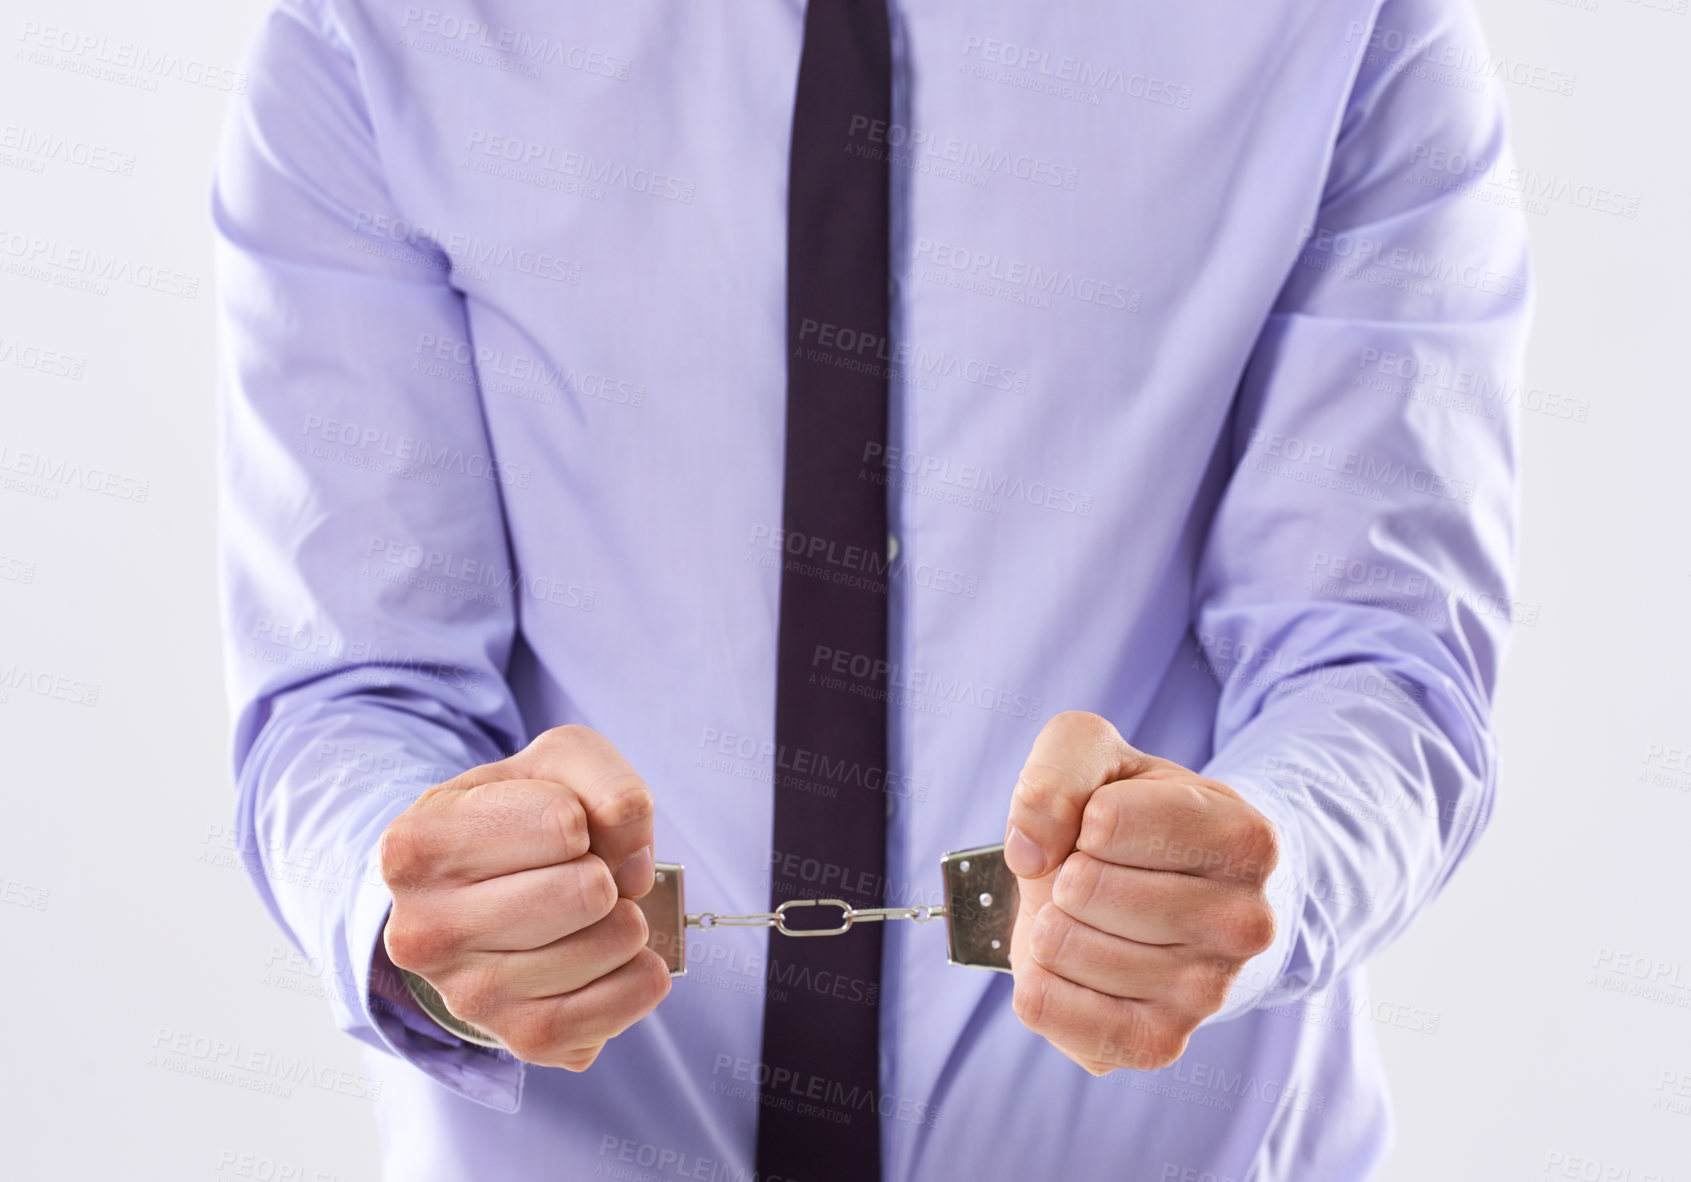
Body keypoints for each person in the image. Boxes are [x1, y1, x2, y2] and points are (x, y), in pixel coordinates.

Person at [212, 0, 1531, 1178]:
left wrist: (1263, 866)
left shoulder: (1345, 26)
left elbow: (1380, 665)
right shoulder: (379, 29)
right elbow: (347, 692)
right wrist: (426, 913)